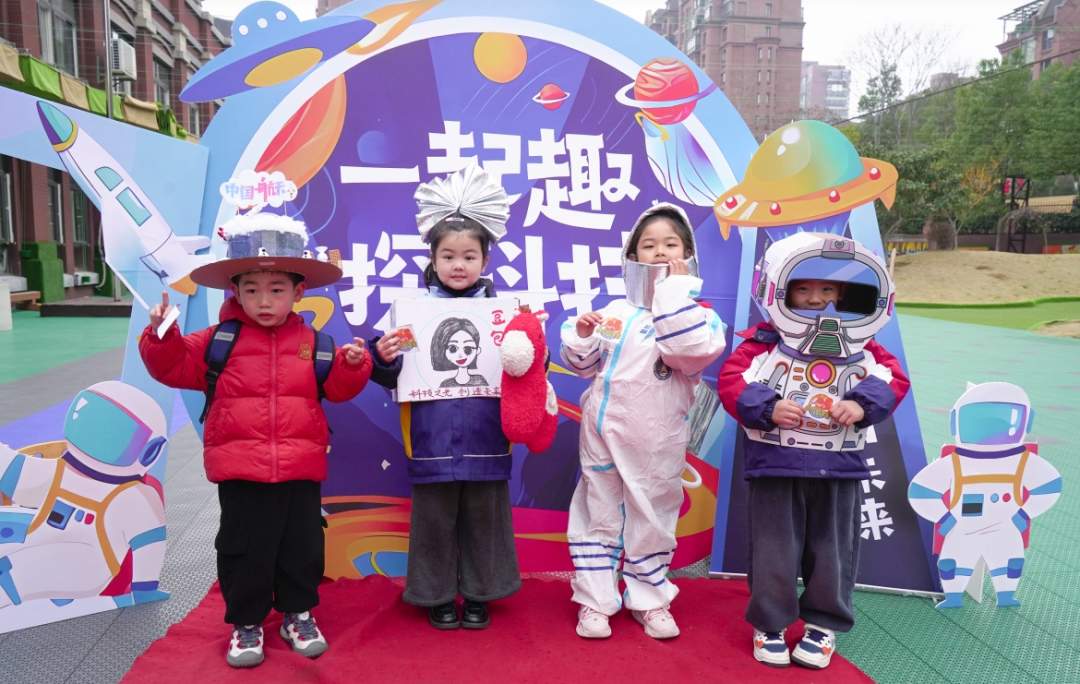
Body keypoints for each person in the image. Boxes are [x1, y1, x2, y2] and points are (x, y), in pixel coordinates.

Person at [139, 213, 371, 668]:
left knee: (302, 547)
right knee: (244, 549)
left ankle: (297, 614)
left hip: (301, 469)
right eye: (252, 290)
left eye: (277, 289)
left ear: (298, 293)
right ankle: (247, 623)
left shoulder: (317, 344)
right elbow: (171, 366)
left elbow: (340, 389)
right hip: (240, 471)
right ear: (235, 292)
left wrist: (352, 366)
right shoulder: (216, 342)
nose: (264, 300)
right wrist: (161, 336)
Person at [718, 232, 910, 670]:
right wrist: (768, 407)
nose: (816, 299)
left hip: (839, 469)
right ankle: (771, 624)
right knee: (773, 550)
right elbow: (733, 382)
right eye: (803, 289)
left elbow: (892, 379)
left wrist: (860, 404)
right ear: (778, 291)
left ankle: (823, 625)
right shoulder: (763, 345)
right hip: (776, 466)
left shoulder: (864, 349)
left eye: (827, 289)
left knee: (833, 551)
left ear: (843, 294)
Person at [560, 203, 727, 640]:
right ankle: (595, 599)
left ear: (687, 254)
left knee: (652, 519)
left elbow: (685, 351)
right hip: (602, 437)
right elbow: (585, 366)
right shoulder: (616, 313)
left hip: (657, 441)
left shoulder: (702, 318)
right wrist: (583, 336)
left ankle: (650, 599)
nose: (660, 253)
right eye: (649, 246)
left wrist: (674, 294)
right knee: (598, 516)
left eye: (670, 244)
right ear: (632, 257)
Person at [369, 165, 519, 630]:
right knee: (433, 521)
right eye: (448, 255)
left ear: (485, 261)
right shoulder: (411, 315)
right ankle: (434, 595)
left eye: (469, 256)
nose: (459, 265)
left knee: (485, 520)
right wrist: (383, 357)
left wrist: (529, 348)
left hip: (488, 436)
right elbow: (390, 373)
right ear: (432, 259)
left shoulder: (505, 314)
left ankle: (480, 594)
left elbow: (527, 368)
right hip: (430, 439)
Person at [430, 316, 489, 387]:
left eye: (468, 349)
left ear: (477, 351)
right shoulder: (446, 385)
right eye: (452, 349)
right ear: (443, 350)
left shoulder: (480, 381)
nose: (460, 355)